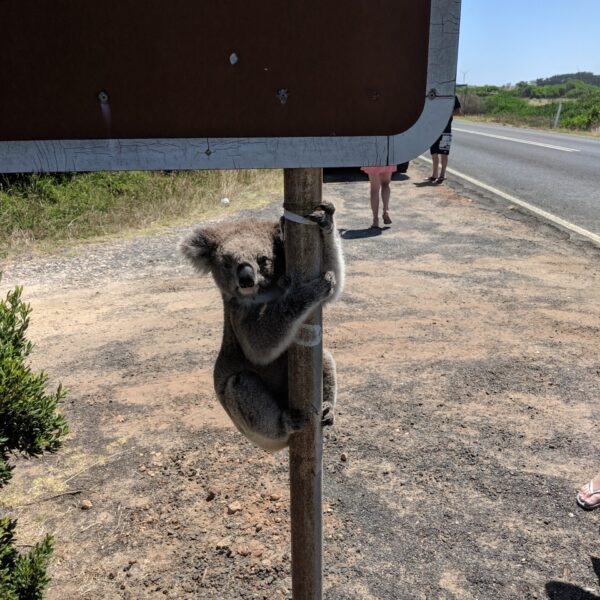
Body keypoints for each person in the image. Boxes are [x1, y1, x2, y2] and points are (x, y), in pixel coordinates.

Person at [428, 94, 462, 183]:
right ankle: (434, 174)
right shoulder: (434, 94)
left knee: (444, 153)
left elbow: (458, 111)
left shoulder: (453, 96)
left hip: (446, 129)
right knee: (434, 152)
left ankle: (442, 175)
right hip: (433, 129)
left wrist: (448, 114)